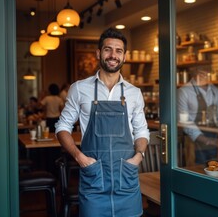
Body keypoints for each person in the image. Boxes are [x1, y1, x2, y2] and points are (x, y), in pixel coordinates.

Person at [55, 28, 150, 217]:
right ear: (98, 53)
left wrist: (138, 156)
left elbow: (141, 131)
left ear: (124, 56)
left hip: (126, 178)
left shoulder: (134, 93)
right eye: (108, 49)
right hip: (94, 179)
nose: (113, 55)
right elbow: (62, 127)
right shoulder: (79, 89)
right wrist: (79, 157)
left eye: (118, 51)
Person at [177, 65, 218, 165]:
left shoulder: (215, 91)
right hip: (194, 140)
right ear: (195, 74)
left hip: (215, 137)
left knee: (216, 168)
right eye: (202, 73)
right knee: (197, 171)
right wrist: (205, 140)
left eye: (207, 74)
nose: (205, 76)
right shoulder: (184, 91)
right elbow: (185, 121)